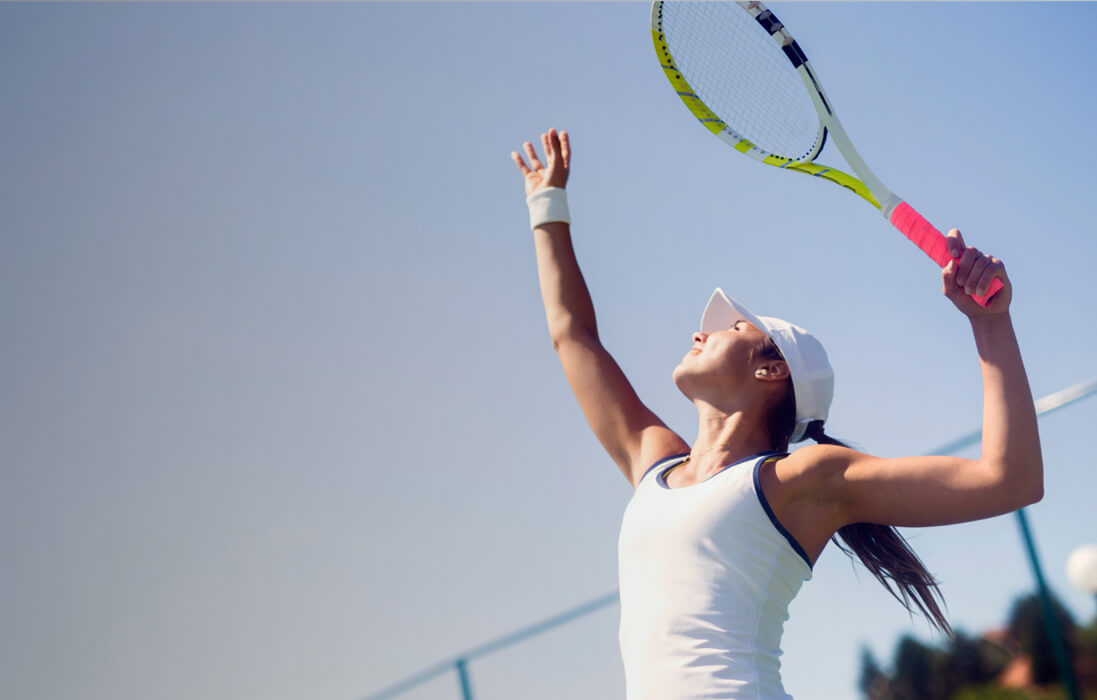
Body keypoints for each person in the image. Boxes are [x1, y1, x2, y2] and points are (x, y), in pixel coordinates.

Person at [511, 128, 1043, 700]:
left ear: (772, 371)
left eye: (732, 328)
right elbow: (573, 336)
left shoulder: (801, 480)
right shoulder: (652, 461)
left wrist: (990, 323)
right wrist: (547, 203)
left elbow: (1009, 480)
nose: (700, 333)